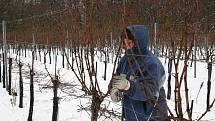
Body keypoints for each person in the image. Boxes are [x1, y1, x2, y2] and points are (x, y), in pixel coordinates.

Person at [109, 25, 168, 121]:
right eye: (124, 43)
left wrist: (129, 86)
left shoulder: (152, 63)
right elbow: (117, 77)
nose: (126, 47)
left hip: (152, 116)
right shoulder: (125, 60)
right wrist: (114, 89)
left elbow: (151, 91)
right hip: (132, 114)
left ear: (138, 43)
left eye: (129, 43)